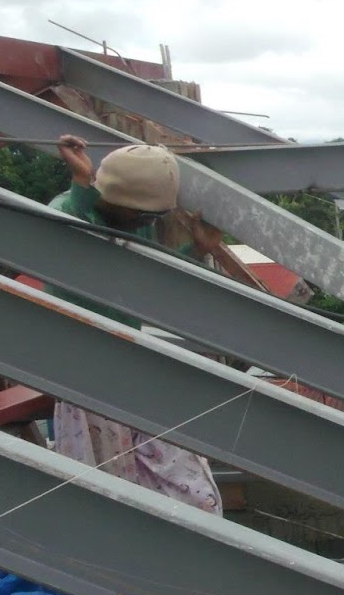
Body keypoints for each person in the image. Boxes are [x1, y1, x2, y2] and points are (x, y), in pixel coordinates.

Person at [47, 135, 225, 515]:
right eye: (146, 215)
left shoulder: (131, 224)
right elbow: (72, 226)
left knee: (193, 492)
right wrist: (81, 180)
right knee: (104, 498)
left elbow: (150, 280)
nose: (150, 222)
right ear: (122, 202)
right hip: (85, 381)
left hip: (129, 367)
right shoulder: (66, 213)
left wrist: (198, 251)